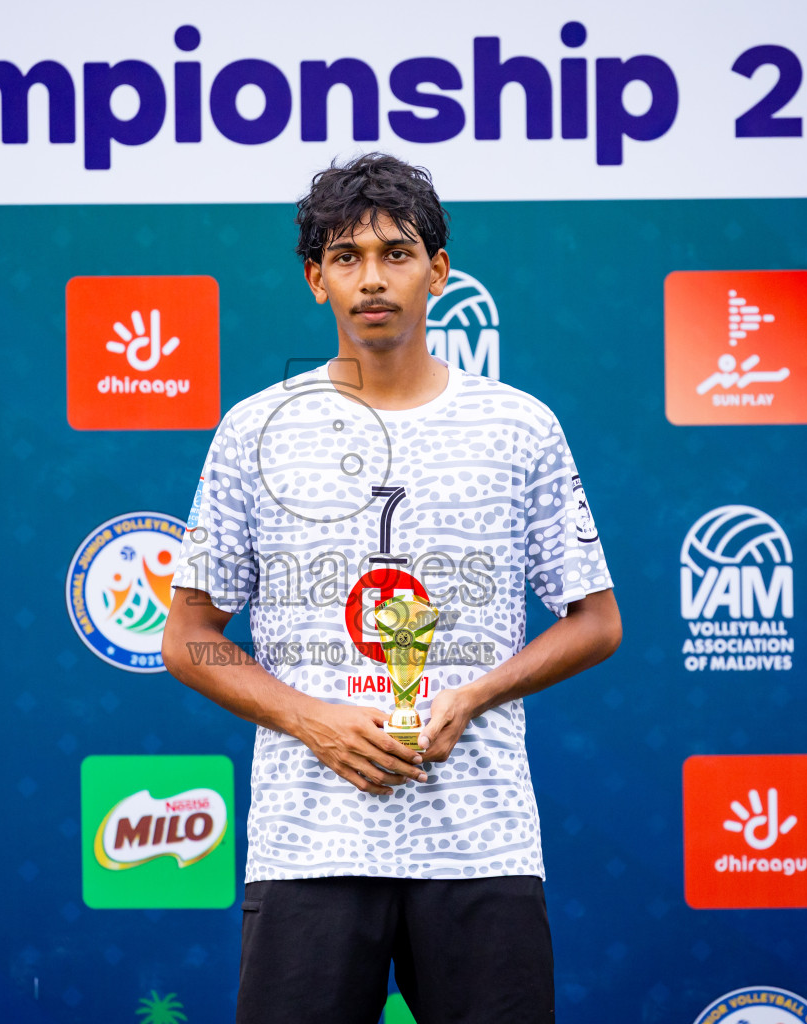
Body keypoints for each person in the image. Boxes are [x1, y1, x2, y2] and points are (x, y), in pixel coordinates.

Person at [161, 152, 623, 1024]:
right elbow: (188, 635)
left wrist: (476, 694)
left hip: (480, 843)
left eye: (396, 253)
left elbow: (595, 622)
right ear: (315, 280)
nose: (372, 278)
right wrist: (313, 720)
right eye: (346, 257)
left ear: (438, 272)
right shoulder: (256, 429)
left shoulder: (519, 426)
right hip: (312, 846)